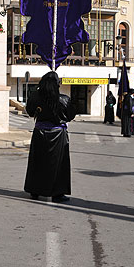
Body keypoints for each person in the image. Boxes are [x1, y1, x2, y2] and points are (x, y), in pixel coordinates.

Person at [24, 71, 77, 202]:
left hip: (40, 133)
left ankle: (35, 190)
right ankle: (57, 193)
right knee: (58, 164)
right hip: (58, 134)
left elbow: (30, 112)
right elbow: (70, 115)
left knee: (38, 162)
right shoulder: (63, 99)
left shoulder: (35, 97)